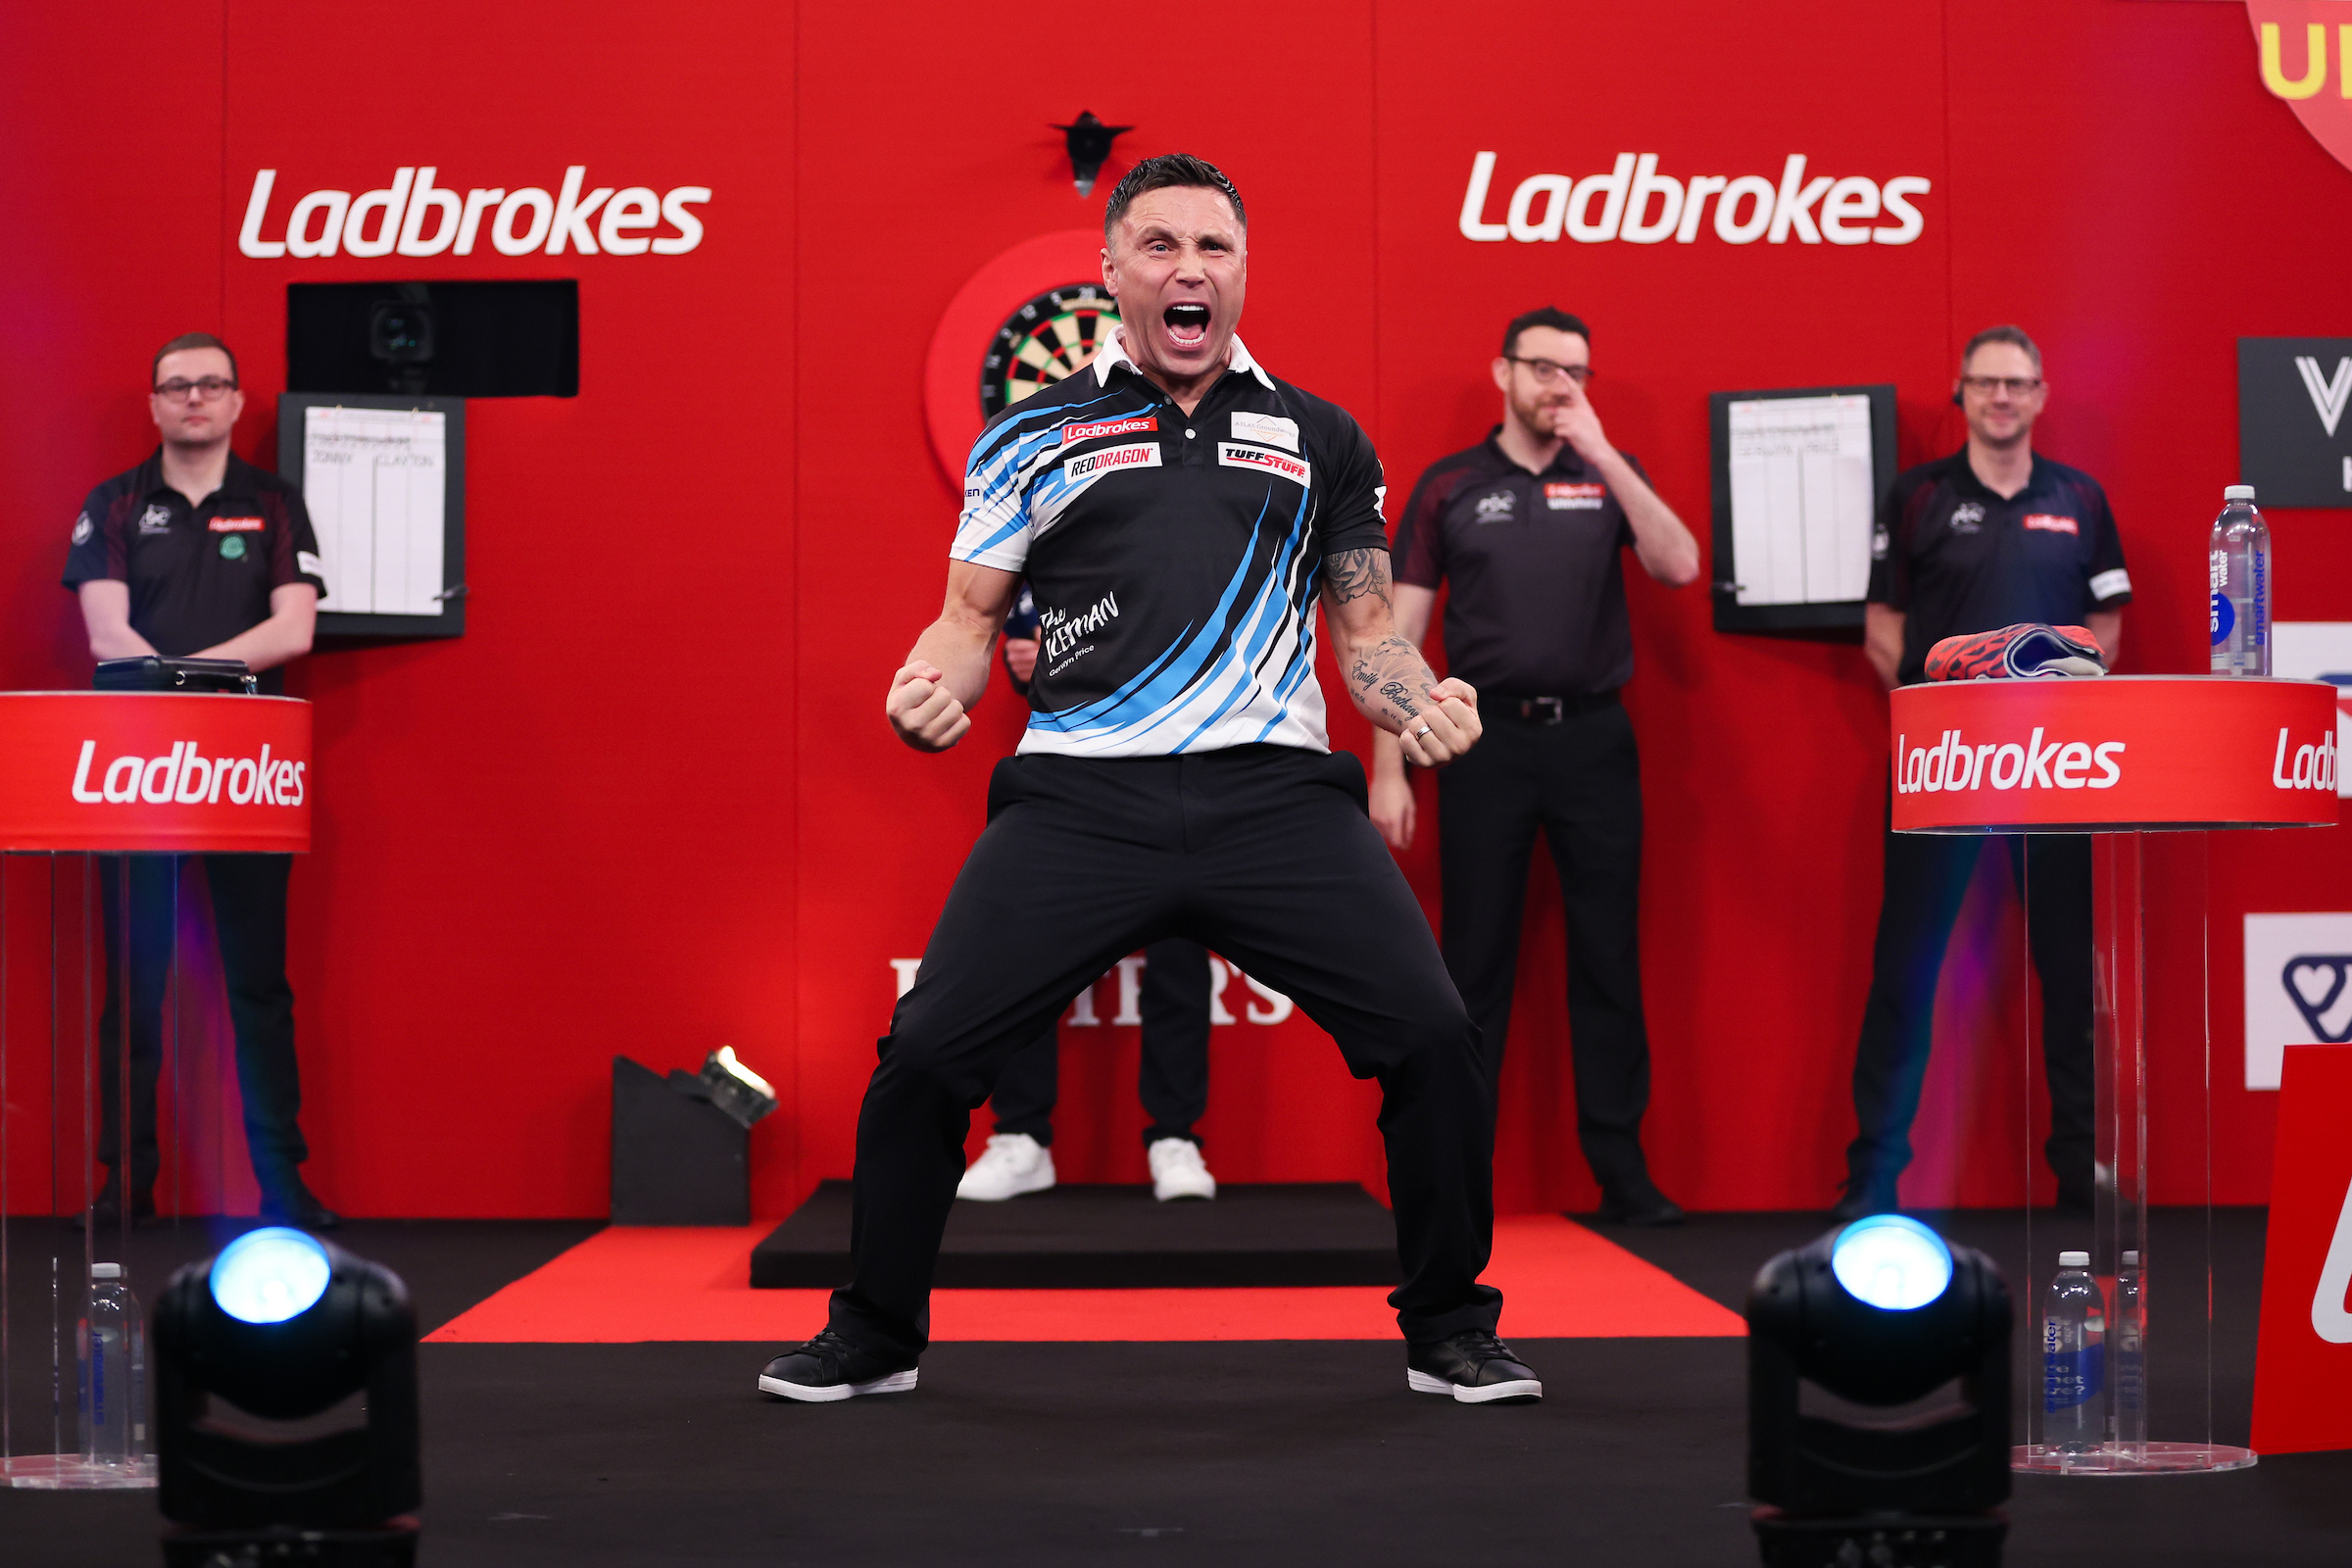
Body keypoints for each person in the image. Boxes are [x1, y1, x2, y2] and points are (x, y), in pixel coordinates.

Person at [758, 153, 1536, 1406]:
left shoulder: (1322, 437)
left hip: (1274, 796)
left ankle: (1450, 1328)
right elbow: (967, 619)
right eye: (1161, 245)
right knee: (927, 1054)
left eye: (1214, 248)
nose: (1190, 269)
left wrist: (1419, 700)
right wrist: (926, 686)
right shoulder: (1029, 432)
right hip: (1081, 799)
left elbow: (1366, 635)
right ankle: (875, 1332)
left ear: (1243, 272)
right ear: (1113, 270)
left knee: (1437, 1038)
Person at [1372, 308, 1700, 1227]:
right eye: (1546, 368)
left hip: (1595, 740)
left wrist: (1602, 451)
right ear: (1503, 373)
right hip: (1485, 744)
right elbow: (1398, 634)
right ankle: (1457, 1171)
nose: (1561, 385)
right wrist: (1391, 768)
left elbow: (1679, 564)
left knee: (1608, 957)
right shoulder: (1451, 485)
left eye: (1577, 372)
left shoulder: (1605, 472)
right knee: (1473, 962)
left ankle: (1621, 1170)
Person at [1836, 324, 2130, 1220]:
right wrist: (1945, 717)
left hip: (2058, 768)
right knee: (1907, 966)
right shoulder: (1918, 495)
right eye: (1986, 382)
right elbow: (1883, 631)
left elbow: (2104, 633)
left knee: (2068, 971)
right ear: (1962, 392)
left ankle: (2078, 1171)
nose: (2002, 397)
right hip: (1945, 765)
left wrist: (2058, 714)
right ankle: (1874, 1178)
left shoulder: (2080, 498)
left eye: (2018, 383)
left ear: (2040, 395)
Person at [62, 331, 336, 1229]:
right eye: (177, 385)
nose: (193, 398)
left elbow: (294, 629)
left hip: (250, 773)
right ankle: (123, 1187)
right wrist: (191, 687)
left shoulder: (275, 501)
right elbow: (106, 634)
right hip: (137, 774)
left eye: (211, 385)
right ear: (154, 403)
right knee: (134, 990)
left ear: (235, 400)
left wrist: (184, 679)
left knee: (258, 986)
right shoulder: (113, 502)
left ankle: (282, 1188)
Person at [961, 589, 1219, 1203]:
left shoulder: (1190, 539)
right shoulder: (1042, 534)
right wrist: (1028, 659)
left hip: (1177, 763)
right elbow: (1015, 630)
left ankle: (1175, 1138)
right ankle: (1021, 1136)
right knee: (1021, 951)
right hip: (1069, 769)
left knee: (1180, 950)